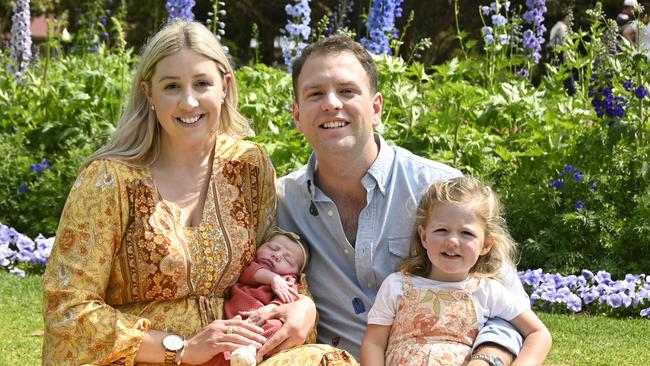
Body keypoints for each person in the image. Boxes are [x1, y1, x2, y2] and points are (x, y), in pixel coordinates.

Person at [42, 20, 330, 366]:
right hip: (141, 358)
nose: (189, 101)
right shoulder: (109, 181)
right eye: (172, 86)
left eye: (202, 83)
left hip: (238, 351)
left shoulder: (247, 165)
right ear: (148, 92)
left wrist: (303, 306)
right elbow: (68, 309)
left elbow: (272, 254)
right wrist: (181, 348)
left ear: (225, 87)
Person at [276, 34, 529, 365]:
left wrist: (487, 361)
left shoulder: (440, 191)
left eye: (347, 91)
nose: (331, 104)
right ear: (297, 116)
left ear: (376, 108)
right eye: (315, 94)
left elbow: (508, 309)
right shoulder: (282, 202)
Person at [360, 176, 552, 366]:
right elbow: (374, 343)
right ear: (424, 236)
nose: (452, 241)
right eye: (442, 230)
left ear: (485, 244)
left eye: (466, 233)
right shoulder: (396, 286)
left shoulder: (487, 291)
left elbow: (538, 334)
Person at [206, 230, 309, 366]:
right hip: (236, 316)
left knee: (277, 328)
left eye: (287, 259)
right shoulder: (252, 265)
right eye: (272, 248)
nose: (277, 255)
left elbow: (288, 300)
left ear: (295, 273)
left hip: (264, 321)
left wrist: (273, 307)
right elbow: (247, 273)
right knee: (224, 335)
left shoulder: (288, 281)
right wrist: (273, 278)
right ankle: (232, 355)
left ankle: (251, 352)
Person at [548, 11, 576, 95]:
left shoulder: (555, 27)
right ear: (565, 17)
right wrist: (568, 61)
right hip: (561, 56)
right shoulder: (562, 27)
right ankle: (573, 97)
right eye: (568, 17)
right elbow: (565, 45)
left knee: (558, 81)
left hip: (554, 56)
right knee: (570, 83)